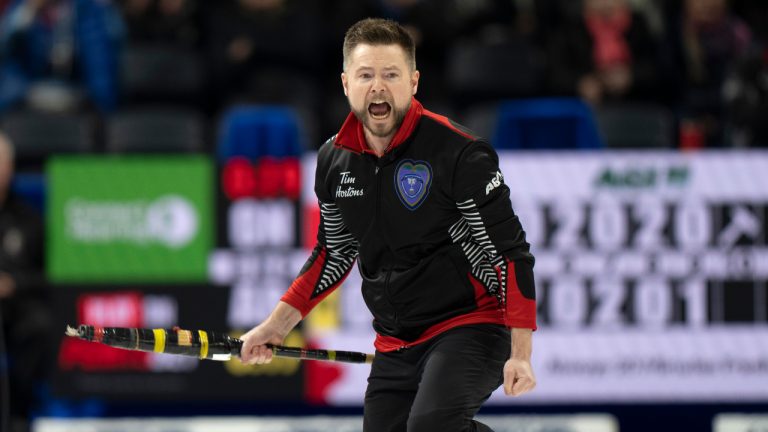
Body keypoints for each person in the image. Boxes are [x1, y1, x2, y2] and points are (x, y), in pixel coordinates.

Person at [240, 18, 537, 431]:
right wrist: (275, 327)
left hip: (471, 324)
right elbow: (333, 253)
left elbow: (511, 253)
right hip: (396, 342)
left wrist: (520, 352)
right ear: (346, 84)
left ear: (413, 82)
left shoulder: (459, 153)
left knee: (429, 428)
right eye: (365, 75)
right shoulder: (332, 161)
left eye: (390, 75)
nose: (378, 87)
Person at [0, 131, 50, 432]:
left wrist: (13, 284)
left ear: (10, 169)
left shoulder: (29, 219)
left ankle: (20, 409)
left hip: (17, 304)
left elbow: (47, 277)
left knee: (41, 326)